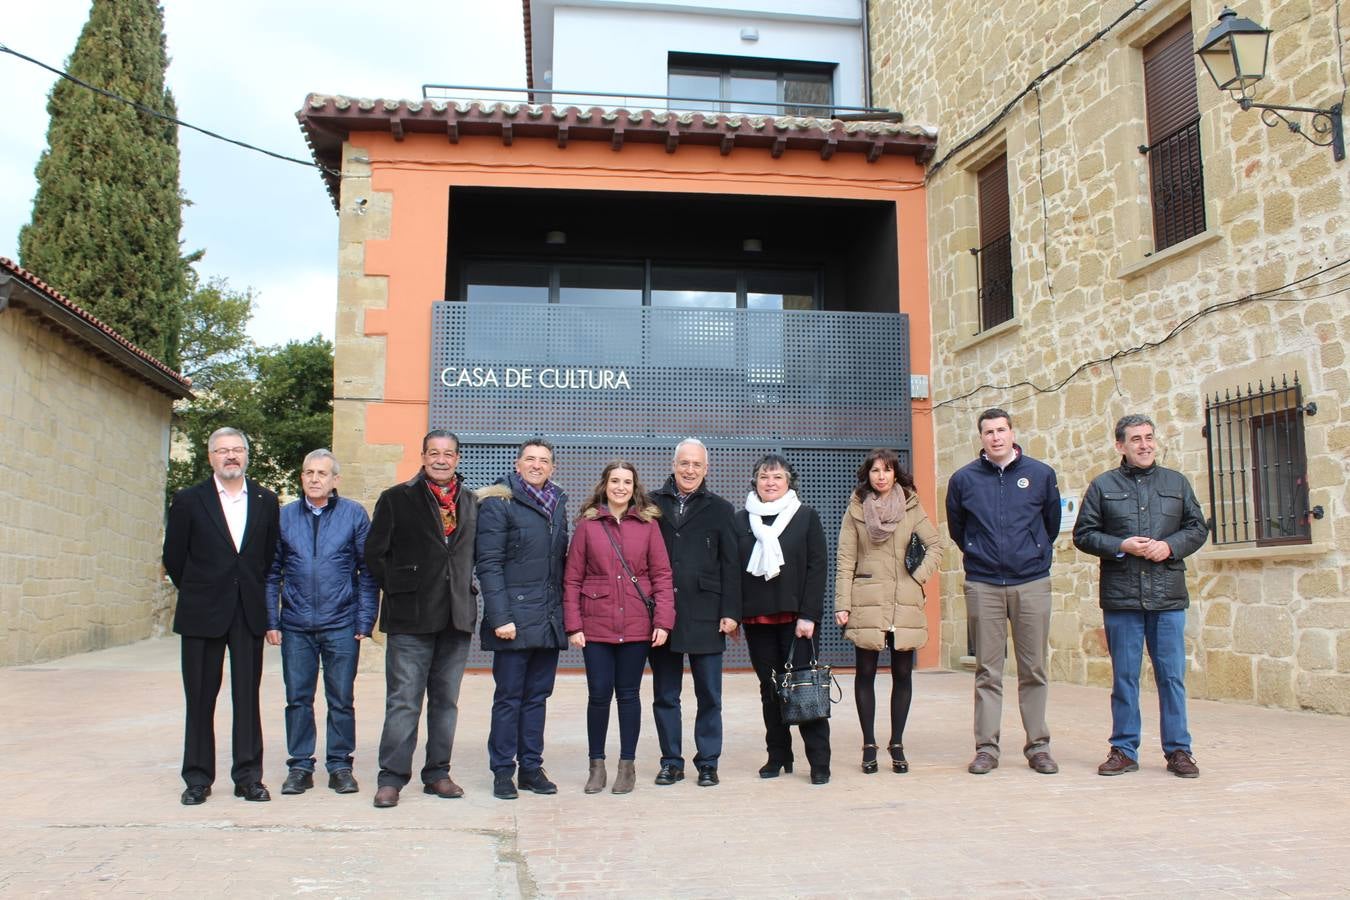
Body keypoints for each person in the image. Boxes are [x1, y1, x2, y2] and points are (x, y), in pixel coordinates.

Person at [1073, 414, 1208, 778]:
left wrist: (1170, 546)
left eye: (1149, 437)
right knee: (1125, 678)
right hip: (1122, 599)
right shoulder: (1102, 486)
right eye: (1136, 439)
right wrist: (1121, 545)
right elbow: (1083, 534)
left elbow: (1197, 528)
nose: (1145, 444)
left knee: (1171, 678)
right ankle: (1124, 749)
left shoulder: (1176, 483)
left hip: (1168, 598)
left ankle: (1179, 751)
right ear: (1121, 445)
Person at [163, 426, 280, 805]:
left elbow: (266, 556)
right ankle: (197, 778)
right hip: (202, 612)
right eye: (222, 450)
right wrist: (201, 589)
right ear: (210, 456)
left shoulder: (265, 500)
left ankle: (248, 777)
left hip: (247, 611)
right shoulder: (188, 500)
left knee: (247, 696)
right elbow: (174, 557)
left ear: (247, 455)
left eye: (237, 450)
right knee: (200, 697)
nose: (230, 456)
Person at [365, 430, 480, 808]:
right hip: (410, 617)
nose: (441, 460)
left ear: (458, 458)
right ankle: (391, 778)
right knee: (404, 701)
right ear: (423, 456)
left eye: (448, 454)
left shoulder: (472, 502)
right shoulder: (396, 498)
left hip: (455, 616)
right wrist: (405, 587)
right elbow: (375, 555)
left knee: (446, 702)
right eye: (434, 453)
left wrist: (467, 589)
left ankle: (438, 774)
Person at [946, 408, 1061, 776]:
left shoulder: (1040, 475)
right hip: (984, 583)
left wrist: (1034, 550)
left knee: (1034, 668)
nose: (995, 437)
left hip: (1031, 581)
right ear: (980, 438)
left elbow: (1051, 523)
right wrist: (979, 550)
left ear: (1012, 433)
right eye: (988, 432)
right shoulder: (963, 479)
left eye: (1001, 430)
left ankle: (1038, 746)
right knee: (987, 671)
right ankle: (986, 748)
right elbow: (957, 528)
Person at [264, 449, 378, 796]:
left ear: (334, 480)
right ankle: (300, 766)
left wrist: (364, 619)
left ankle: (340, 764)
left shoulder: (354, 515)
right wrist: (272, 619)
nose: (314, 479)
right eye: (308, 473)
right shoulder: (283, 517)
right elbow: (271, 573)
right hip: (296, 623)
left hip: (341, 623)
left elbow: (368, 572)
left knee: (341, 697)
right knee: (298, 697)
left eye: (322, 474)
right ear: (302, 478)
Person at [563, 460, 675, 795]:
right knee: (598, 695)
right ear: (605, 485)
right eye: (615, 481)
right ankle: (596, 765)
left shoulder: (647, 524)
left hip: (637, 624)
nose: (621, 487)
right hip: (595, 625)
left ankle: (627, 766)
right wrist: (574, 625)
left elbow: (662, 576)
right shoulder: (588, 525)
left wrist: (663, 621)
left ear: (634, 487)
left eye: (627, 482)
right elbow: (571, 579)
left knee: (628, 696)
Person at [834, 449, 946, 775]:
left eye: (887, 470)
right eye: (875, 471)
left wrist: (918, 577)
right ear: (867, 475)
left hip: (903, 601)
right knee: (865, 672)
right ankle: (869, 744)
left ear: (896, 473)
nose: (881, 476)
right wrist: (842, 603)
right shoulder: (856, 509)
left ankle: (897, 743)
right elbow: (845, 560)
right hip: (867, 598)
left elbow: (936, 545)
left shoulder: (911, 506)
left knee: (902, 674)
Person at [476, 439, 569, 800]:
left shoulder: (557, 503)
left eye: (543, 460)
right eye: (529, 459)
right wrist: (500, 616)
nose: (536, 465)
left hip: (546, 618)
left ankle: (530, 767)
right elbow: (488, 564)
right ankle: (503, 771)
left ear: (552, 468)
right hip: (512, 619)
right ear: (518, 465)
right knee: (509, 697)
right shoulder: (499, 503)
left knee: (537, 698)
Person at [649, 438, 742, 788]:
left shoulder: (720, 509)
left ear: (706, 469)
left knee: (709, 695)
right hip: (664, 615)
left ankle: (708, 762)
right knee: (665, 695)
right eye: (684, 463)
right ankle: (671, 761)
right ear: (673, 464)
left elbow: (731, 565)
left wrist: (731, 612)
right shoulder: (652, 505)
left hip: (707, 613)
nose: (689, 470)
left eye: (696, 465)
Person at [735, 453, 831, 784]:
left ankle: (819, 761)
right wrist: (734, 616)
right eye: (764, 477)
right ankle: (778, 755)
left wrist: (809, 615)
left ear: (788, 481)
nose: (770, 483)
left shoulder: (805, 516)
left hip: (797, 621)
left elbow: (817, 567)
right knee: (770, 691)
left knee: (804, 688)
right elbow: (733, 571)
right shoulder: (741, 520)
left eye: (777, 477)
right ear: (755, 482)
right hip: (757, 619)